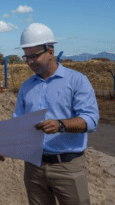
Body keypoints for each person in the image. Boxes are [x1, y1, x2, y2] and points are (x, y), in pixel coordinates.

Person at [13, 23, 99, 205]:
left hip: (67, 168)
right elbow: (18, 123)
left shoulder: (77, 81)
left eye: (34, 56)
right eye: (26, 57)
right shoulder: (27, 87)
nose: (29, 62)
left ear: (50, 52)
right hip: (34, 167)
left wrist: (61, 125)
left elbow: (91, 120)